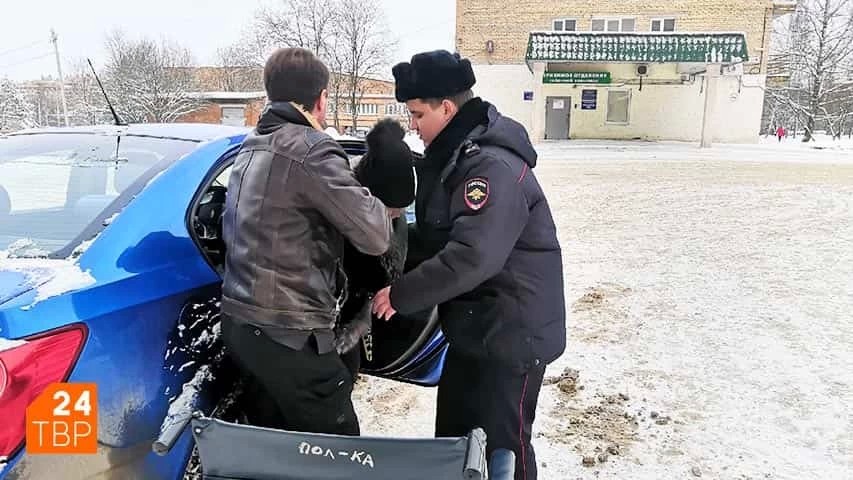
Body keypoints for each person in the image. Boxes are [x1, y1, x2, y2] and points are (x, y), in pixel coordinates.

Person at [372, 50, 566, 480]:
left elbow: (472, 255)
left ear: (447, 107)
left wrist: (402, 294)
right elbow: (441, 235)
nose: (413, 125)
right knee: (456, 440)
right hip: (477, 329)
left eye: (418, 114)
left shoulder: (489, 167)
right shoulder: (456, 158)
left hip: (513, 335)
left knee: (503, 449)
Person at [219, 47, 390, 436]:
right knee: (336, 452)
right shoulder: (311, 149)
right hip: (290, 335)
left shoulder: (252, 145)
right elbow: (376, 234)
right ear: (321, 97)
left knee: (277, 445)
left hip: (242, 325)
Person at [335, 118, 416, 377]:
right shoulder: (342, 220)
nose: (398, 215)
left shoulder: (388, 219)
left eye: (402, 210)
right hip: (331, 330)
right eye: (392, 210)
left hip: (354, 328)